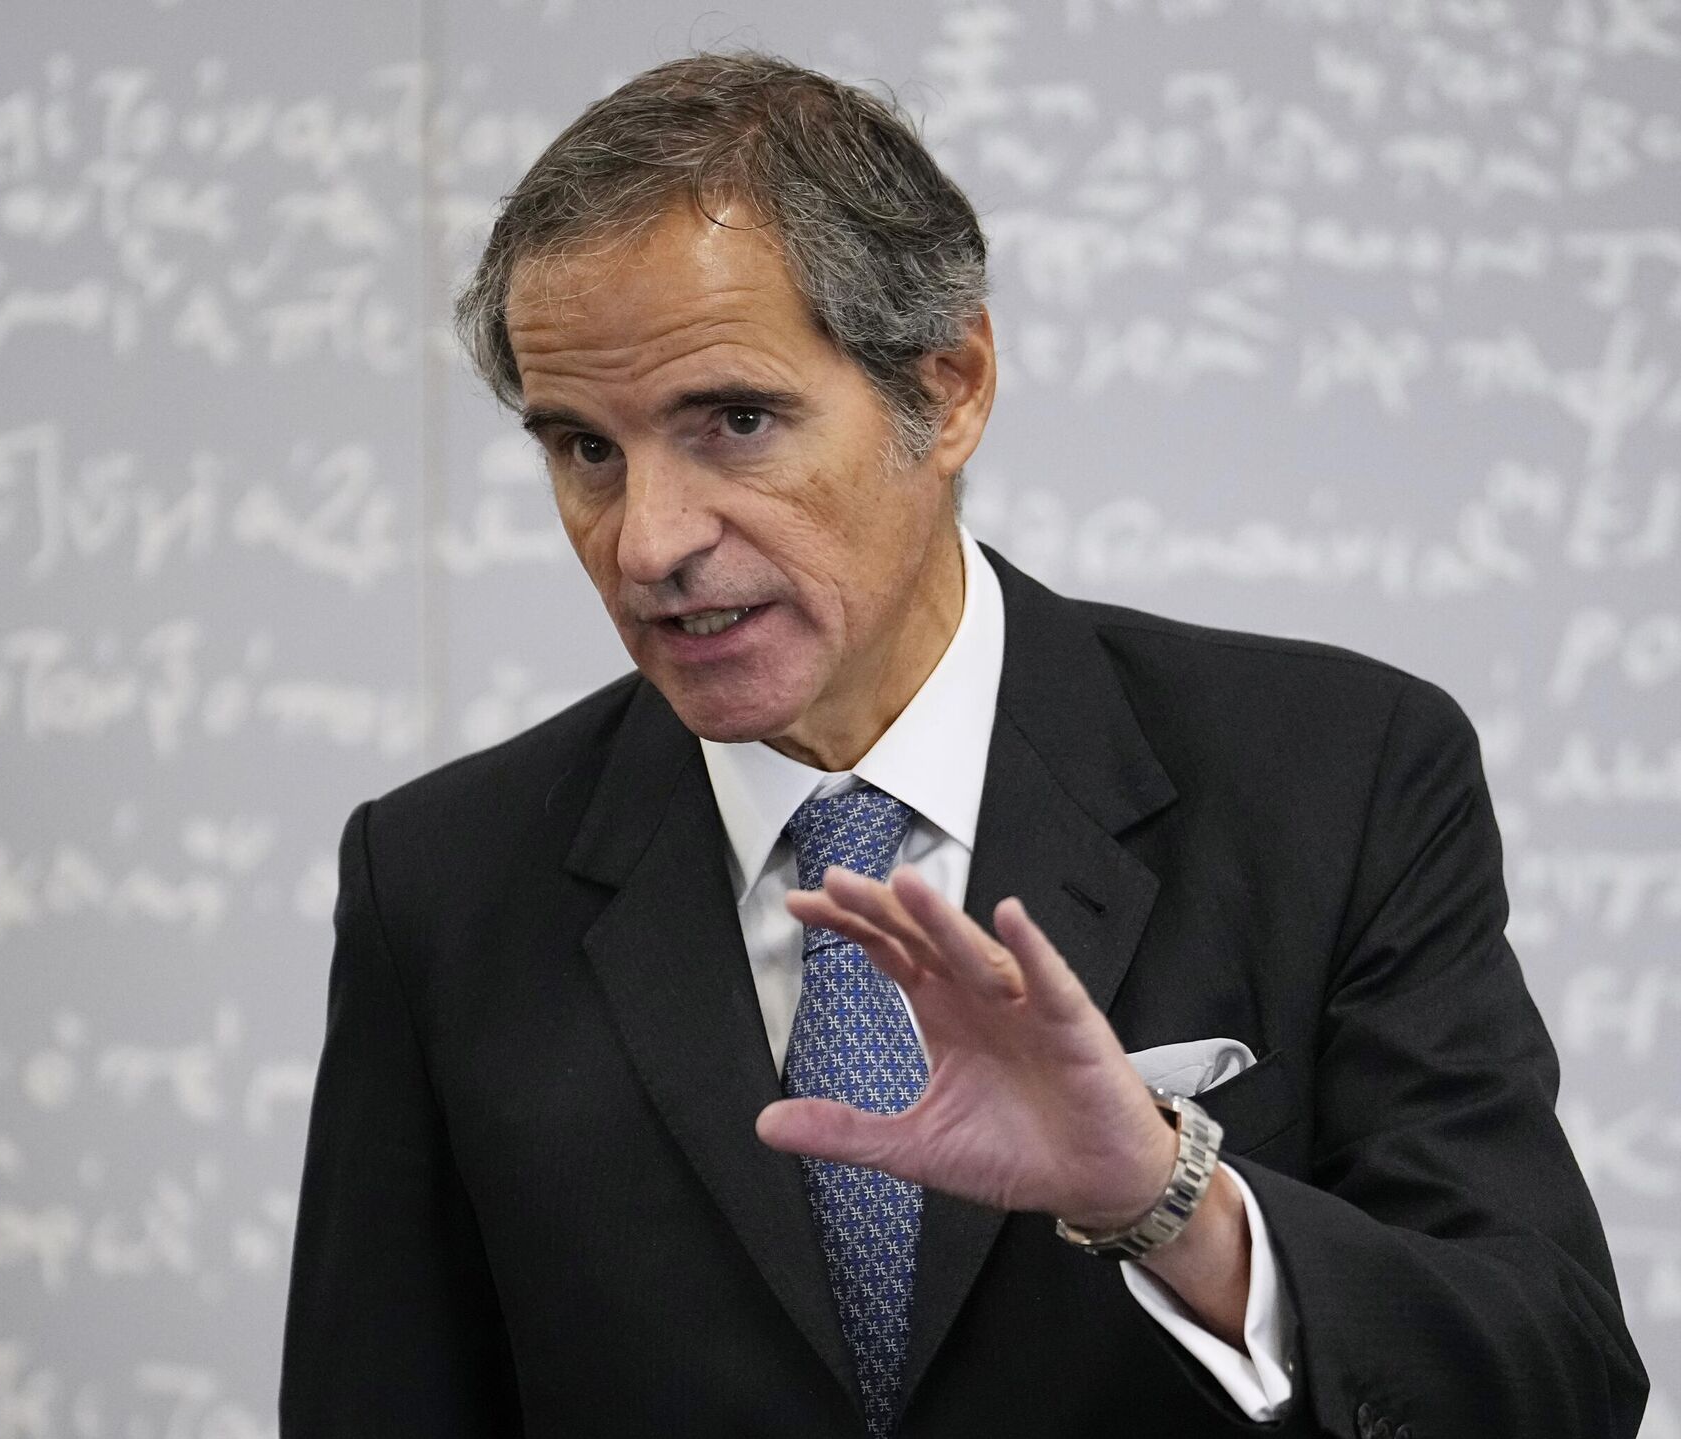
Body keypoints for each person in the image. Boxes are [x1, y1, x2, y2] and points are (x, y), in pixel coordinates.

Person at [279, 53, 1647, 1438]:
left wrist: (1169, 1202)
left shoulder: (1339, 778)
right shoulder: (440, 882)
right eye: (585, 449)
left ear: (951, 389)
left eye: (735, 422)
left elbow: (1558, 1384)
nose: (648, 542)